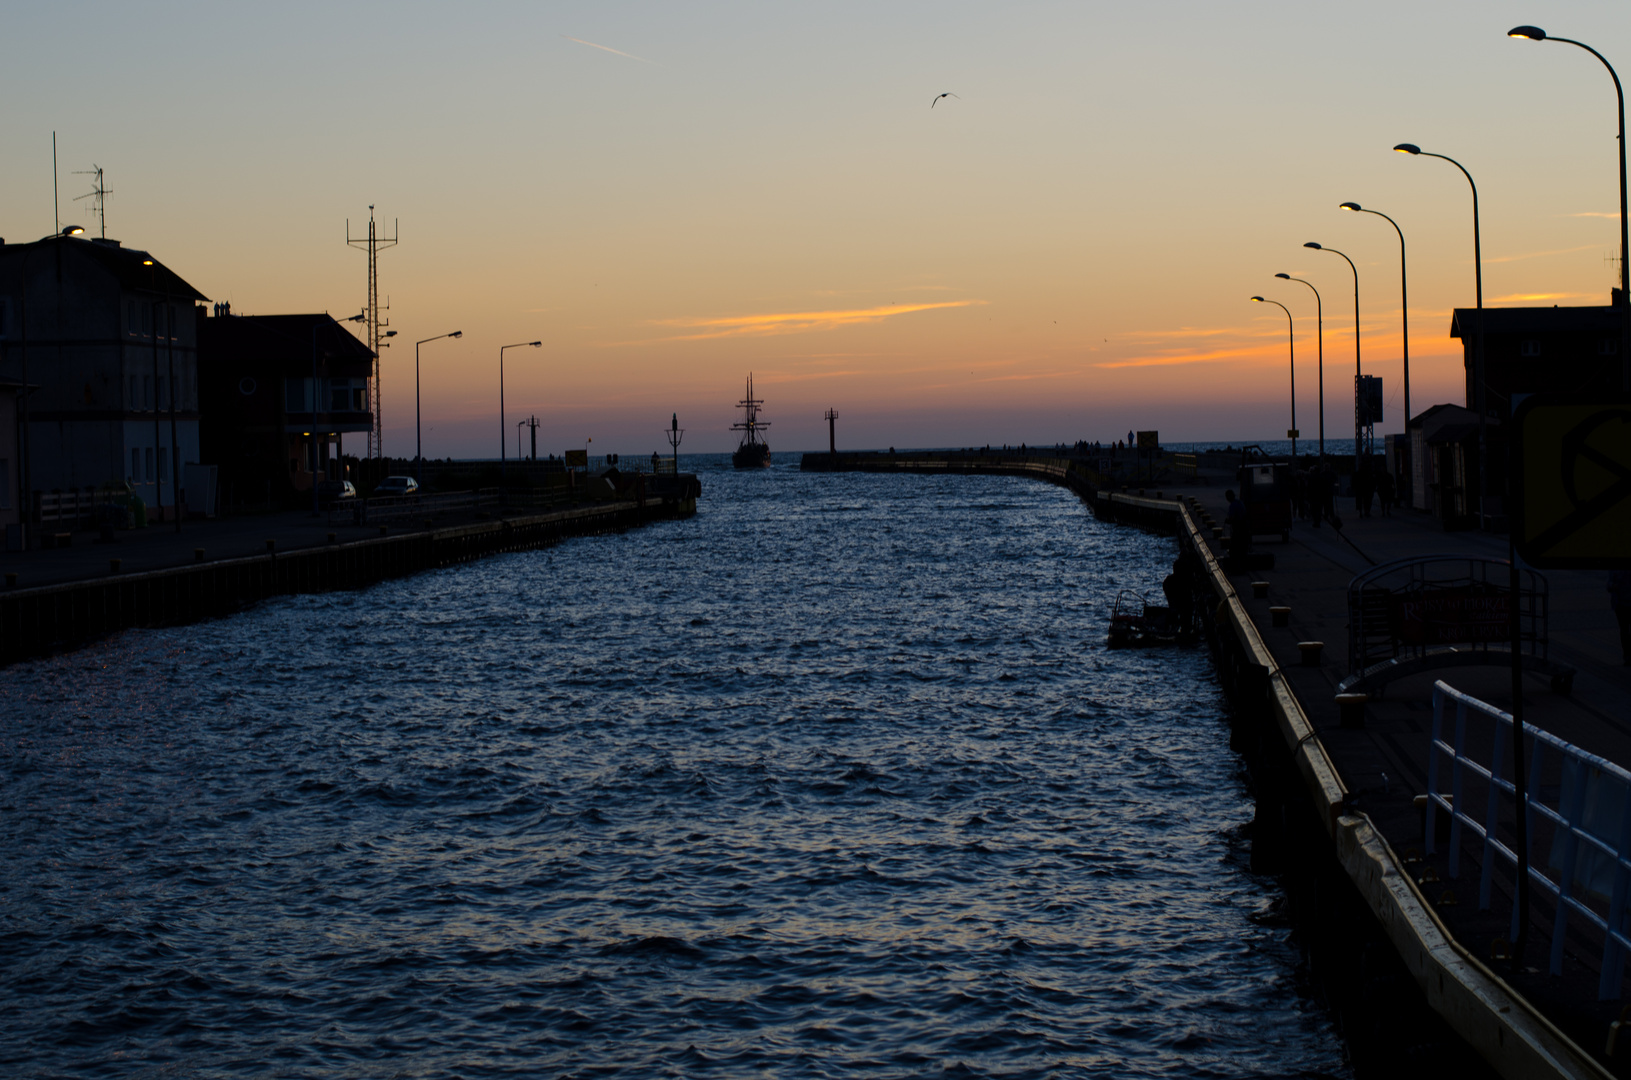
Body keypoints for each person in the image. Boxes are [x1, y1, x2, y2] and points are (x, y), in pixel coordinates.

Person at [1610, 570, 1631, 666]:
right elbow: (1609, 584)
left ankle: (1627, 655)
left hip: (1621, 604)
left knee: (1624, 631)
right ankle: (1627, 655)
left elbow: (1609, 584)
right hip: (1621, 604)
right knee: (1624, 630)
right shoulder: (1616, 570)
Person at [1225, 488, 1250, 559]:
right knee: (1243, 547)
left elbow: (1232, 518)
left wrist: (1227, 521)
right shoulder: (1240, 502)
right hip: (1245, 528)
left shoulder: (1233, 505)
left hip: (1238, 529)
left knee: (1235, 546)